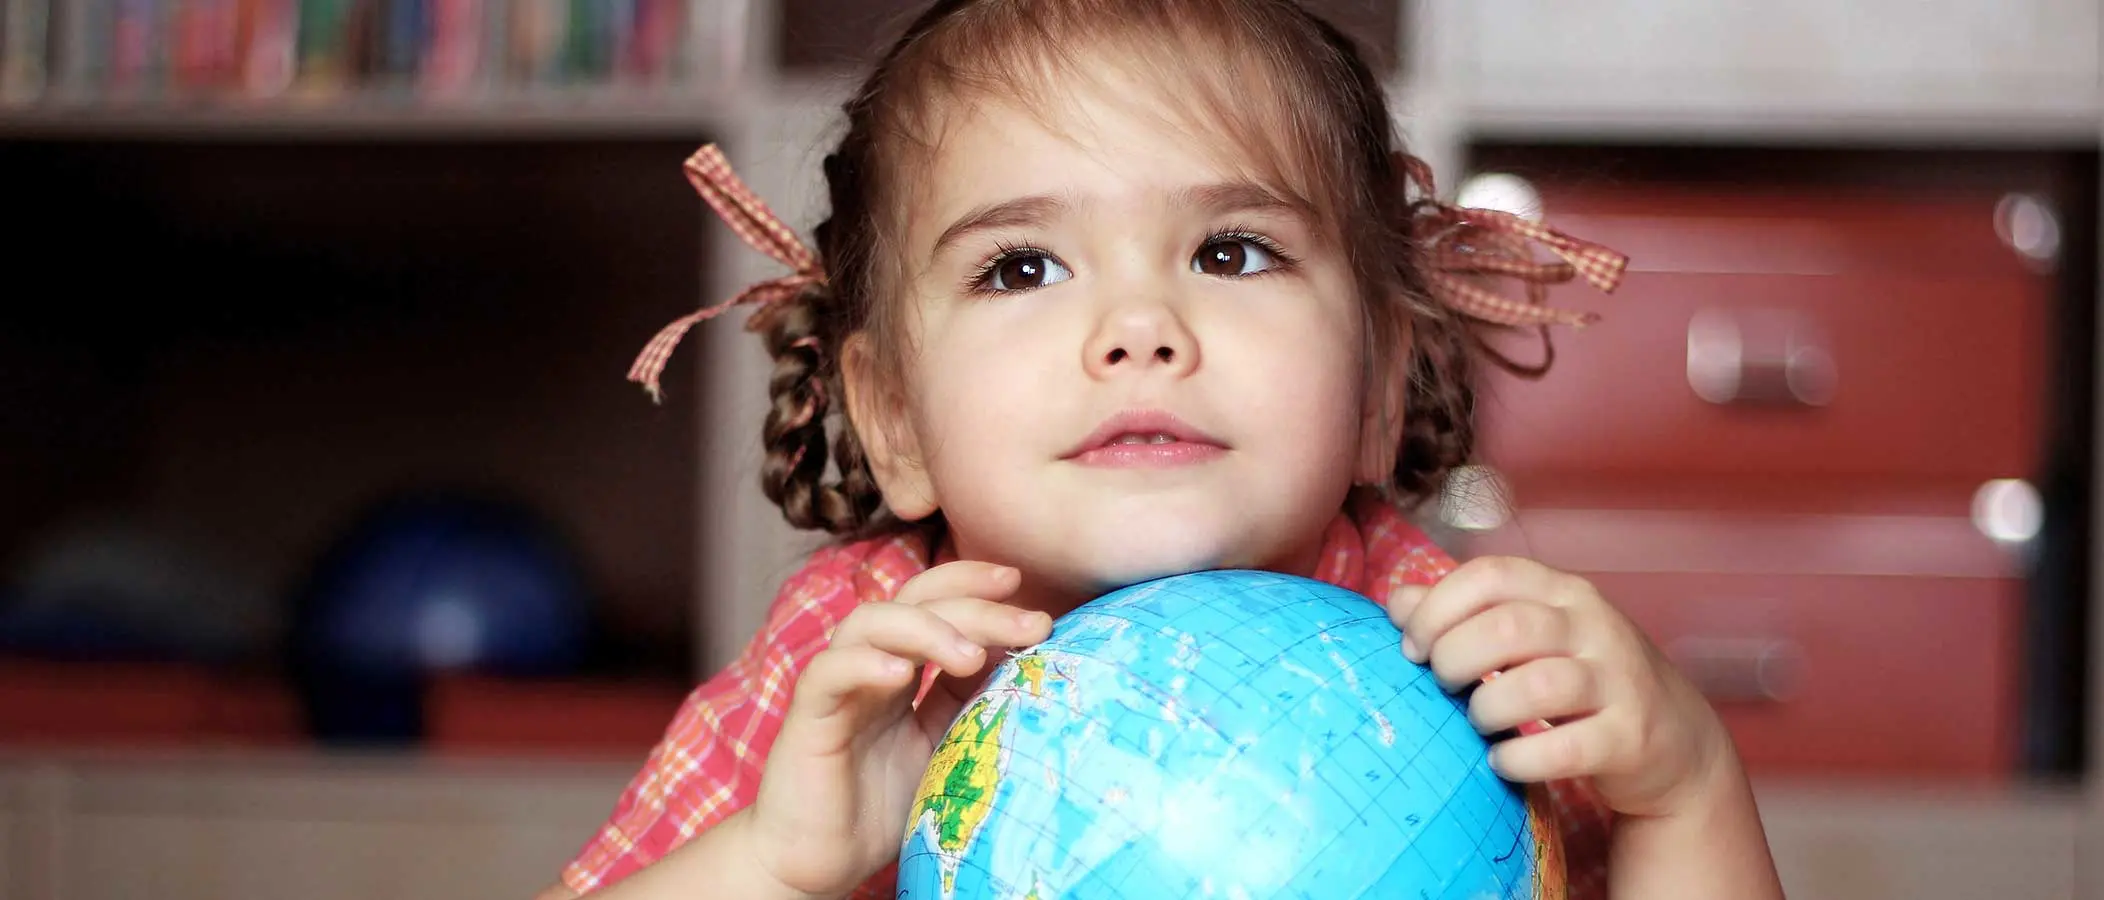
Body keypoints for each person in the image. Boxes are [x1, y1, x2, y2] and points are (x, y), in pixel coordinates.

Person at [537, 1, 1784, 897]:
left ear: (1380, 386)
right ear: (894, 420)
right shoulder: (847, 666)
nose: (1139, 329)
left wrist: (1687, 791)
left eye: (1231, 251)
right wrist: (772, 860)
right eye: (1020, 266)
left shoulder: (1472, 658)